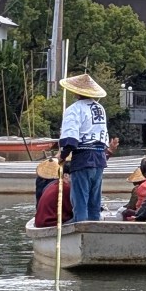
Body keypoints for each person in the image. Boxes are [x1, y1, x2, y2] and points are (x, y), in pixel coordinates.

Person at [58, 73, 110, 223]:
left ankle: (81, 228)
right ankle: (94, 226)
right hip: (99, 158)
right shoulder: (100, 108)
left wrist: (62, 156)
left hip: (83, 157)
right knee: (94, 201)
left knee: (80, 201)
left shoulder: (75, 109)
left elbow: (71, 137)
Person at [34, 161, 72, 227]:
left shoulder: (53, 185)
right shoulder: (65, 187)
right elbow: (72, 210)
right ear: (66, 175)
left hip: (41, 221)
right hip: (50, 222)